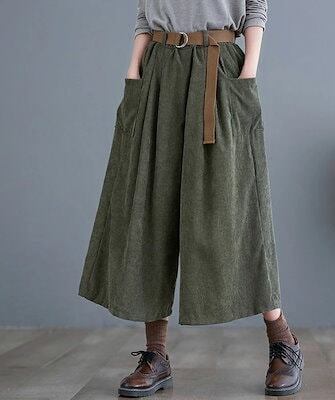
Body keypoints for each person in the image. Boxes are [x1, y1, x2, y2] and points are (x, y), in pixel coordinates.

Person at [78, 0, 304, 397]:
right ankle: (156, 354)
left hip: (220, 68)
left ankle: (282, 341)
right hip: (157, 70)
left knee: (235, 209)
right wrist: (134, 68)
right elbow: (145, 12)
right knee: (149, 205)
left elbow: (255, 6)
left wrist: (248, 70)